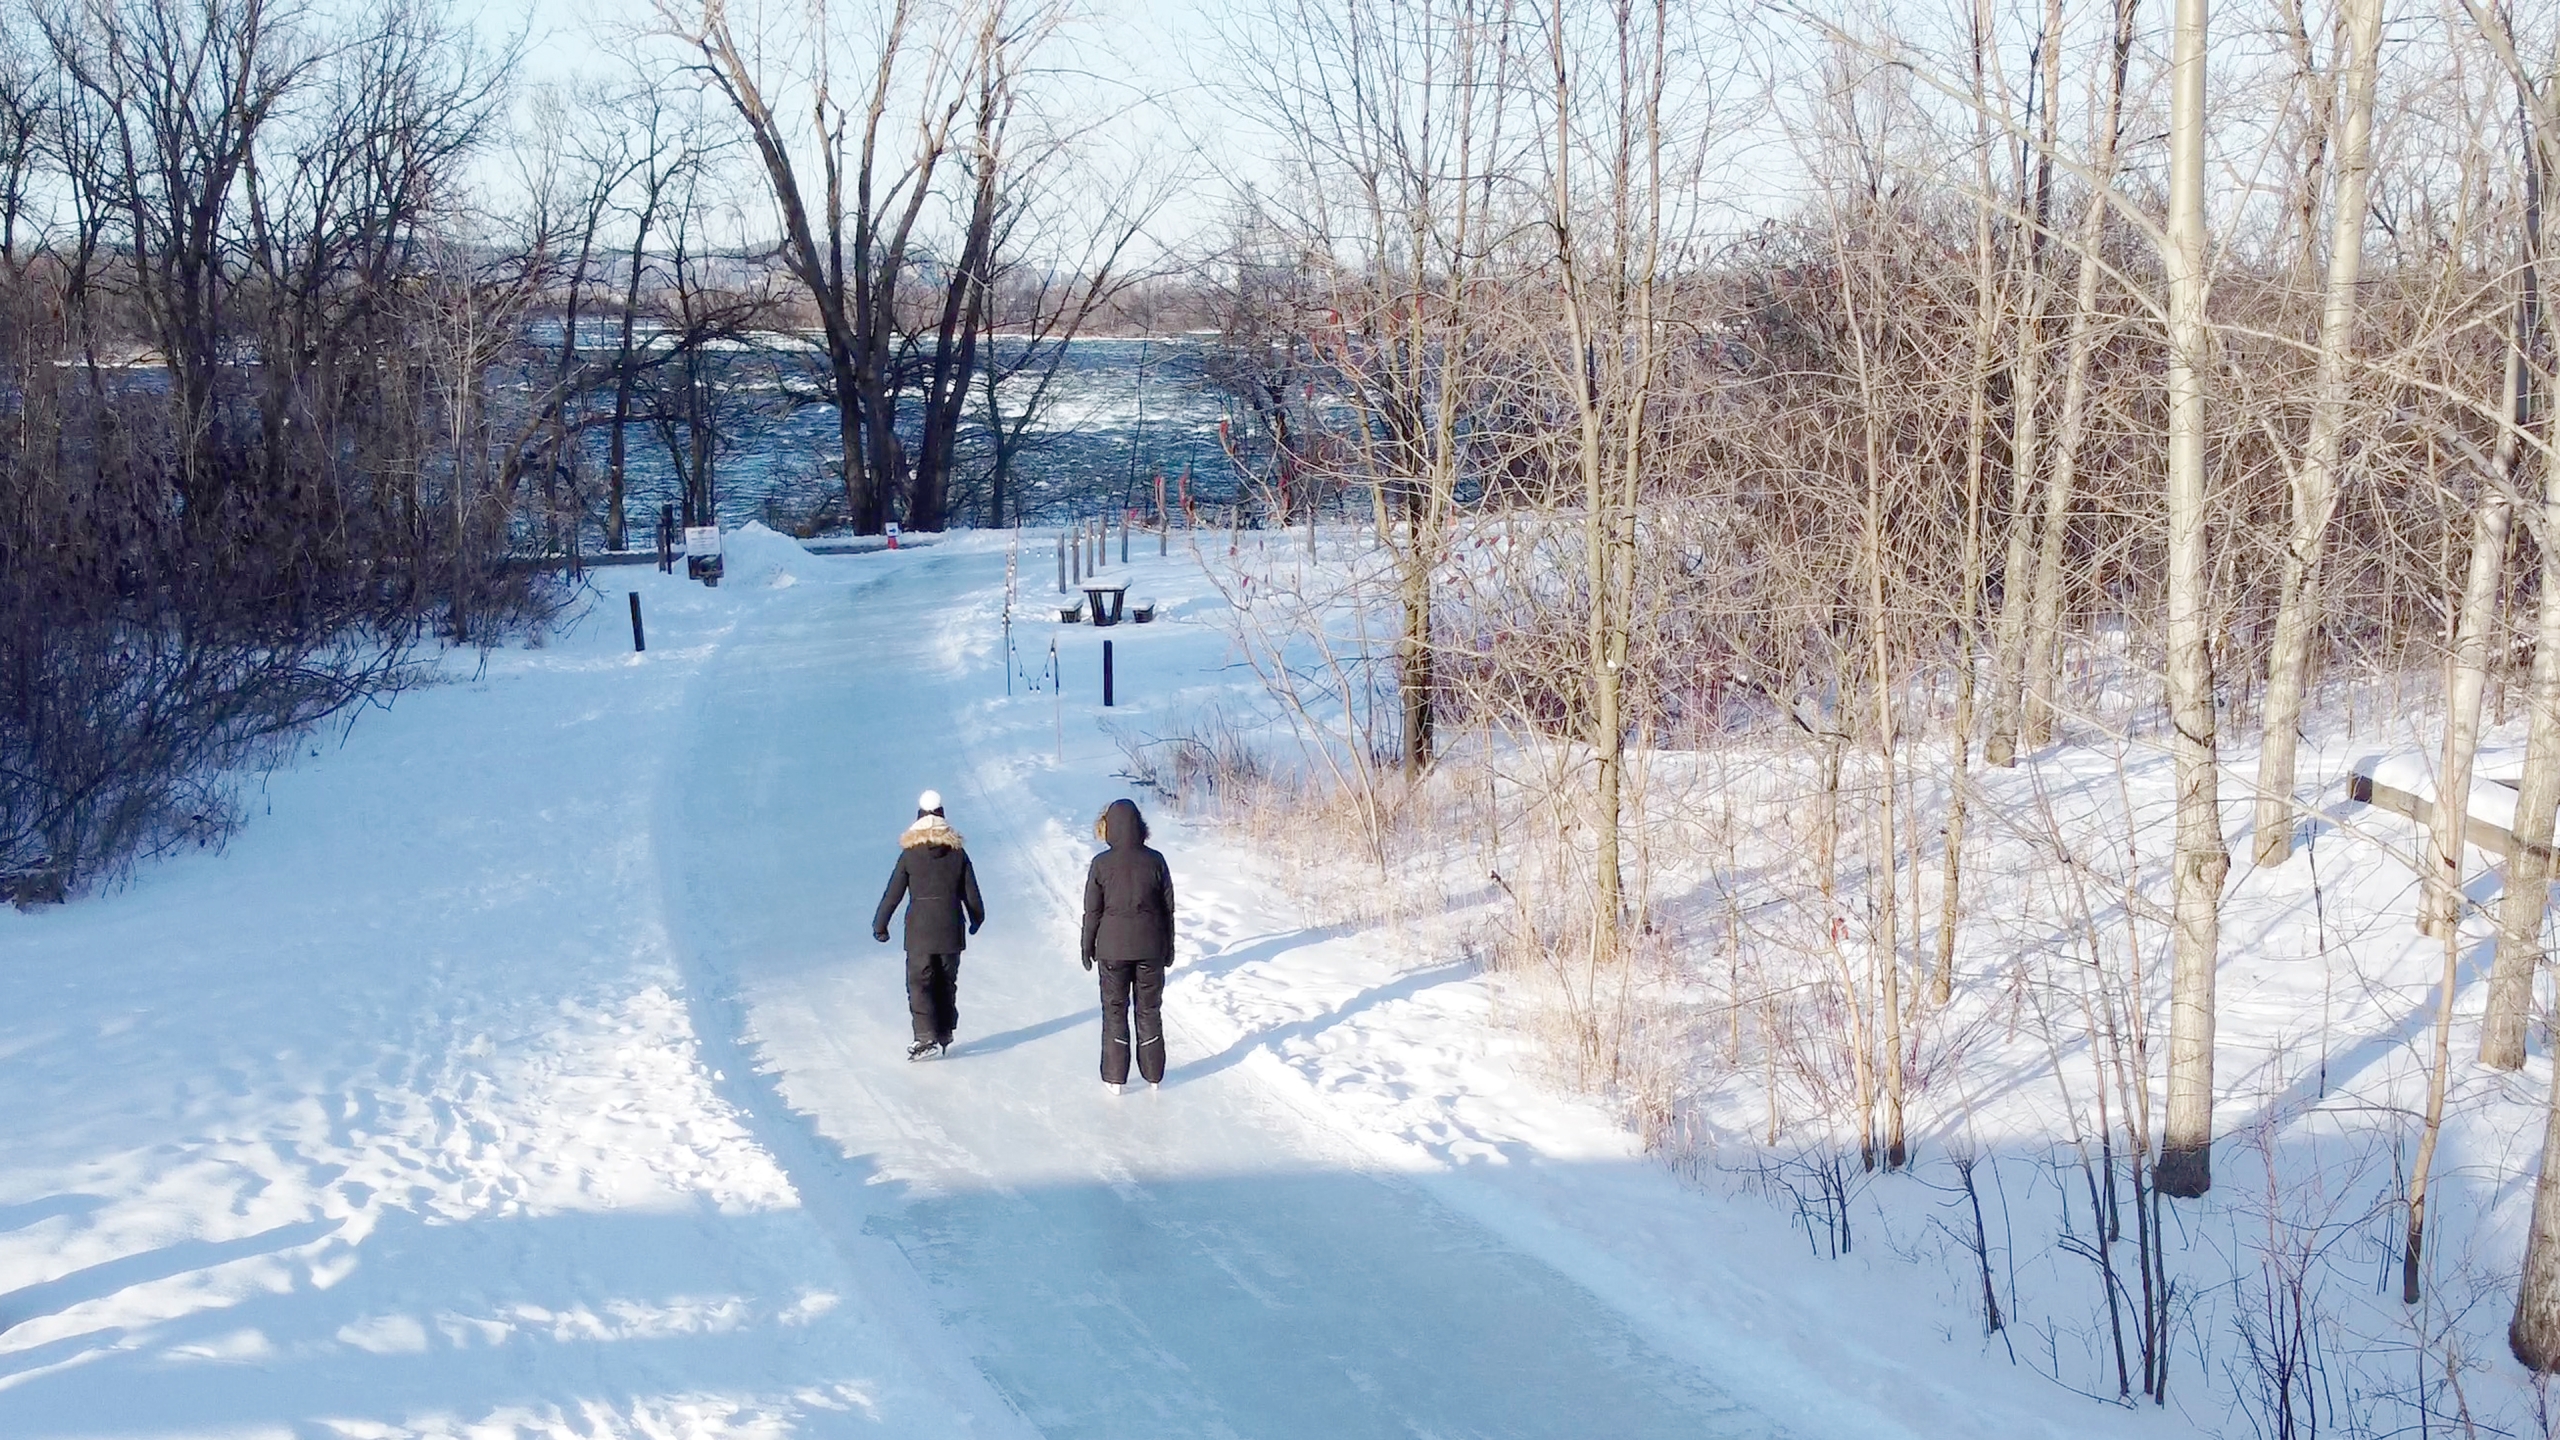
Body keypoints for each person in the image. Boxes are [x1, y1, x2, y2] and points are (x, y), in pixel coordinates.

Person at [873, 789, 985, 1060]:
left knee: (919, 982)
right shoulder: (958, 853)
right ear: (943, 816)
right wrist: (976, 917)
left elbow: (893, 892)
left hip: (919, 931)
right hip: (950, 928)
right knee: (946, 981)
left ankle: (924, 1036)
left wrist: (881, 924)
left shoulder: (910, 854)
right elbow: (971, 891)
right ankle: (945, 1030)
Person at [1081, 798, 1175, 1089]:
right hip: (1150, 948)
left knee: (1114, 1009)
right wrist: (1168, 947)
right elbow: (1168, 908)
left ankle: (1114, 1078)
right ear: (1139, 826)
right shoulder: (1156, 860)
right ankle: (1154, 1075)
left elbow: (1092, 910)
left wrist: (1087, 946)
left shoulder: (1101, 864)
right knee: (1149, 1009)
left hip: (1111, 950)